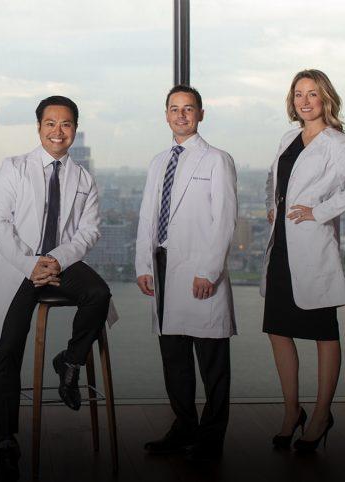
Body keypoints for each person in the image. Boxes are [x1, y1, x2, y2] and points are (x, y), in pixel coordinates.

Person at [0, 95, 117, 481]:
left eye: (66, 124)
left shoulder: (84, 178)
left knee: (99, 294)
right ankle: (6, 440)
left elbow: (89, 232)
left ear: (75, 129)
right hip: (20, 266)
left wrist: (56, 260)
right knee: (7, 352)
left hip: (61, 262)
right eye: (51, 123)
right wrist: (30, 264)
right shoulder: (14, 168)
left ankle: (70, 362)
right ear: (39, 127)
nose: (59, 131)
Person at [262, 69, 345, 452]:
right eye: (298, 94)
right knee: (278, 330)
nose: (305, 101)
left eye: (312, 94)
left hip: (313, 247)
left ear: (325, 98)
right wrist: (272, 207)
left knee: (324, 334)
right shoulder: (288, 138)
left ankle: (322, 414)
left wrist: (319, 211)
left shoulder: (336, 142)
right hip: (281, 246)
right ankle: (292, 411)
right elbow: (274, 181)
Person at [135, 85, 237, 463]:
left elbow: (224, 220)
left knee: (212, 362)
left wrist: (209, 270)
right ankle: (183, 427)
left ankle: (211, 439)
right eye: (174, 109)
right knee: (174, 358)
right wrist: (143, 265)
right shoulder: (158, 161)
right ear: (166, 115)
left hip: (199, 268)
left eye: (188, 108)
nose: (181, 115)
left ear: (200, 114)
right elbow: (147, 217)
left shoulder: (217, 160)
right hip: (163, 267)